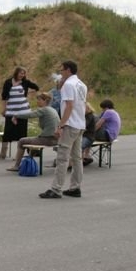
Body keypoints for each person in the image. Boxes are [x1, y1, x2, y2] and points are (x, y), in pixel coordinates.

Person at [39, 60, 88, 199]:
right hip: (79, 124)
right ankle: (75, 187)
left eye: (61, 70)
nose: (60, 72)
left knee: (62, 157)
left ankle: (56, 188)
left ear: (68, 70)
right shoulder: (81, 84)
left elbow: (69, 106)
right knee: (77, 158)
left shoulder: (68, 84)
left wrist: (60, 125)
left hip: (70, 125)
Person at [6, 92, 59, 171]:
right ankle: (28, 163)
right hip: (56, 139)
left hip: (49, 139)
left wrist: (16, 115)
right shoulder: (53, 110)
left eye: (39, 100)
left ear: (45, 101)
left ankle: (16, 166)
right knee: (33, 141)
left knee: (21, 141)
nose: (37, 101)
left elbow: (30, 115)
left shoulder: (44, 110)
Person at [0, 66, 39, 159]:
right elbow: (4, 97)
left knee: (22, 133)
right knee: (7, 132)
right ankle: (3, 153)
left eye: (24, 73)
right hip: (11, 111)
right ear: (16, 73)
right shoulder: (8, 82)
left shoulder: (25, 82)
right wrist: (3, 109)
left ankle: (19, 155)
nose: (22, 75)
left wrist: (29, 94)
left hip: (23, 112)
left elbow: (36, 87)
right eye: (21, 73)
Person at [81, 102, 97, 166]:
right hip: (84, 136)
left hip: (89, 137)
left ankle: (81, 161)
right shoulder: (84, 116)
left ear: (88, 108)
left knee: (80, 146)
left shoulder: (89, 116)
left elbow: (83, 126)